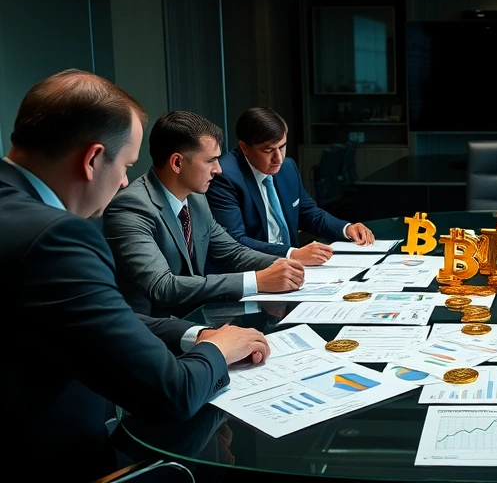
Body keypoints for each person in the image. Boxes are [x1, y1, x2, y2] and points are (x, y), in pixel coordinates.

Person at [2, 69, 270, 480]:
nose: (127, 180)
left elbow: (93, 317)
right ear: (92, 159)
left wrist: (194, 335)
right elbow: (172, 395)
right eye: (126, 164)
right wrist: (219, 348)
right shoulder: (59, 238)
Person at [104, 111, 305, 318]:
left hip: (197, 317)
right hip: (151, 332)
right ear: (177, 163)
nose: (218, 169)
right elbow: (162, 286)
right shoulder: (132, 206)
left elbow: (231, 252)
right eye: (211, 160)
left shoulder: (196, 198)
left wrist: (283, 265)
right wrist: (257, 280)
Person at [206, 107, 374, 265]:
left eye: (282, 146)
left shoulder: (287, 167)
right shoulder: (224, 176)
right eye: (268, 150)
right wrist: (291, 254)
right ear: (245, 148)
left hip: (294, 268)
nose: (278, 158)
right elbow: (234, 241)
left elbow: (308, 213)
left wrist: (346, 228)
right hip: (257, 269)